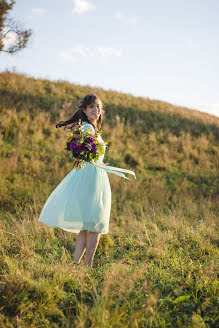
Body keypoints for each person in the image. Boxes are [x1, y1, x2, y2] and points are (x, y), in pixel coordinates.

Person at [38, 93, 136, 268]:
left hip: (92, 174)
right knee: (95, 223)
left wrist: (96, 160)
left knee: (87, 225)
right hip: (92, 178)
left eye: (98, 106)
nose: (96, 110)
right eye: (92, 107)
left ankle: (76, 264)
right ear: (84, 109)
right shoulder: (87, 129)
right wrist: (90, 158)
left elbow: (88, 154)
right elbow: (80, 152)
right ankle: (87, 266)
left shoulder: (89, 128)